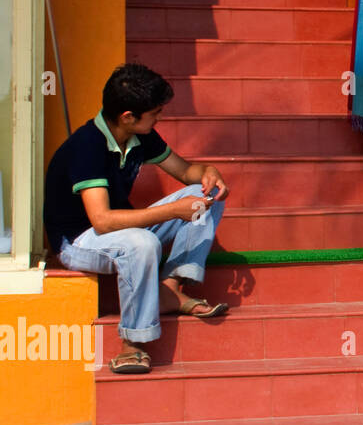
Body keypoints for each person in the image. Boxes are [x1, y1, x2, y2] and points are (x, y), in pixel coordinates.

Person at [44, 63, 231, 375]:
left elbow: (186, 172)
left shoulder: (139, 136)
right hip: (78, 242)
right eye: (155, 113)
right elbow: (101, 221)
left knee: (203, 196)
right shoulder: (86, 146)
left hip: (119, 229)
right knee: (141, 243)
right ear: (127, 117)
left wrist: (209, 171)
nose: (159, 118)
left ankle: (168, 289)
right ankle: (132, 343)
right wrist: (173, 210)